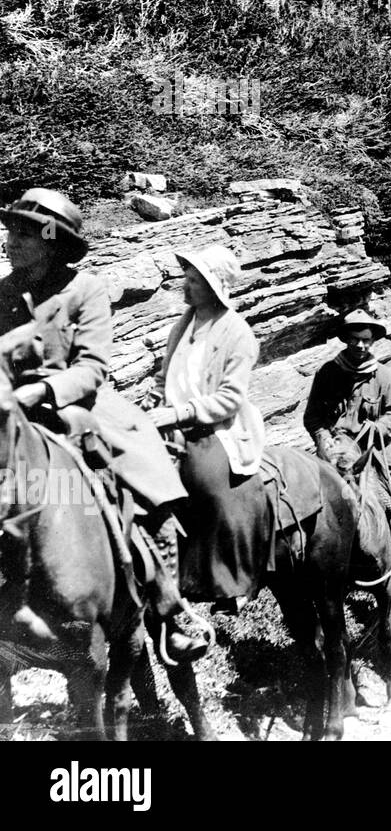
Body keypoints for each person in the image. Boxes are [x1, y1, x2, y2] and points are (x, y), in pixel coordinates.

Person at [0, 188, 205, 660]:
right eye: (11, 231)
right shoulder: (3, 293)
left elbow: (92, 367)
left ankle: (171, 609)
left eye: (24, 233)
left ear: (51, 241)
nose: (11, 241)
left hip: (74, 407)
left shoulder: (85, 290)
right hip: (9, 411)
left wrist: (43, 391)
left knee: (146, 481)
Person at [148, 246, 272, 618]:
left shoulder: (238, 333)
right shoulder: (183, 324)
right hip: (170, 420)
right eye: (186, 279)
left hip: (214, 427)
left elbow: (230, 399)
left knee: (209, 486)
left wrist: (180, 412)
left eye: (194, 281)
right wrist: (155, 403)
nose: (185, 288)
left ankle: (228, 582)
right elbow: (165, 373)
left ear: (214, 287)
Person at [303, 310, 391, 578]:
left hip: (377, 447)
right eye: (355, 339)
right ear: (346, 338)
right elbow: (313, 416)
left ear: (373, 341)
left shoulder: (382, 375)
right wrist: (323, 439)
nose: (360, 345)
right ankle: (304, 560)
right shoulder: (328, 372)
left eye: (366, 340)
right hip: (336, 448)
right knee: (302, 494)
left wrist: (377, 428)